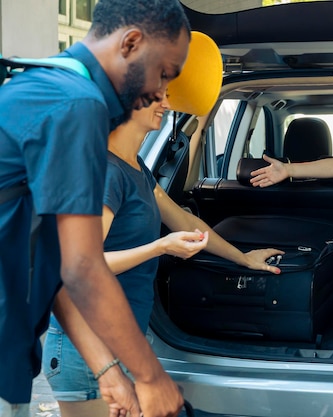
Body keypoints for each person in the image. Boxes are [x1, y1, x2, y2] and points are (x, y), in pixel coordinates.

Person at [0, 1, 191, 416]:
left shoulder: (52, 85)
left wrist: (109, 372)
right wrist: (150, 376)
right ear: (131, 43)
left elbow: (58, 265)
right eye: (164, 73)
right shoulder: (78, 106)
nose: (161, 94)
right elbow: (84, 268)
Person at [42, 95, 284, 417]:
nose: (166, 104)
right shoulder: (105, 172)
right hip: (89, 352)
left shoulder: (136, 166)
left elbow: (183, 221)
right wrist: (159, 247)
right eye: (155, 95)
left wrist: (242, 258)